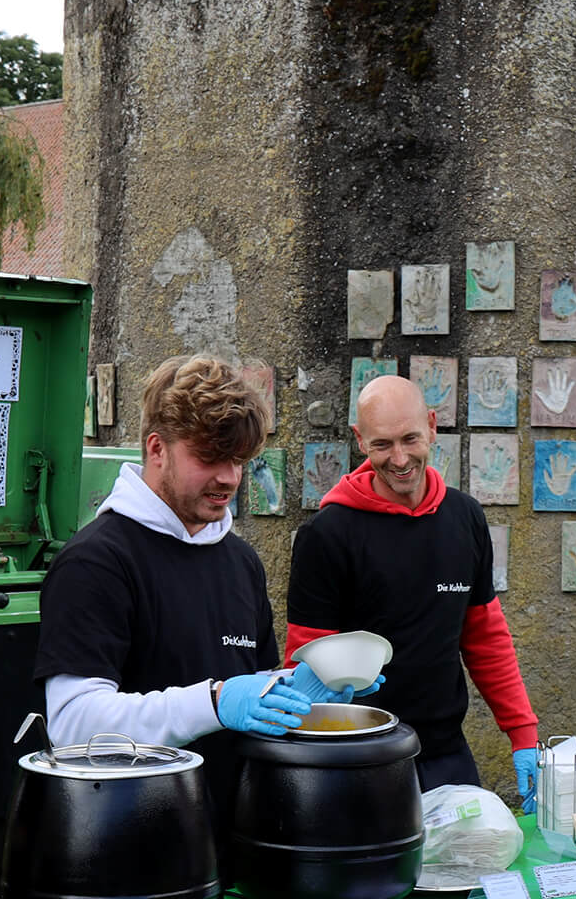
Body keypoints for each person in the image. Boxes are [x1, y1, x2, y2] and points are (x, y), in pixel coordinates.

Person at [35, 355, 325, 859]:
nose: (230, 478)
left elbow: (255, 698)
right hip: (129, 855)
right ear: (156, 449)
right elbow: (74, 727)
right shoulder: (95, 562)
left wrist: (314, 698)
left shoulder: (240, 562)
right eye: (211, 457)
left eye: (239, 460)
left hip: (234, 849)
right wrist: (211, 702)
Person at [287, 375, 539, 799]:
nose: (400, 458)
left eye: (410, 439)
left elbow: (485, 638)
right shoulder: (327, 534)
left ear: (433, 426)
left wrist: (523, 734)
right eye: (382, 444)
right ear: (359, 440)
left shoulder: (466, 518)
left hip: (444, 751)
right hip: (355, 756)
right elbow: (304, 656)